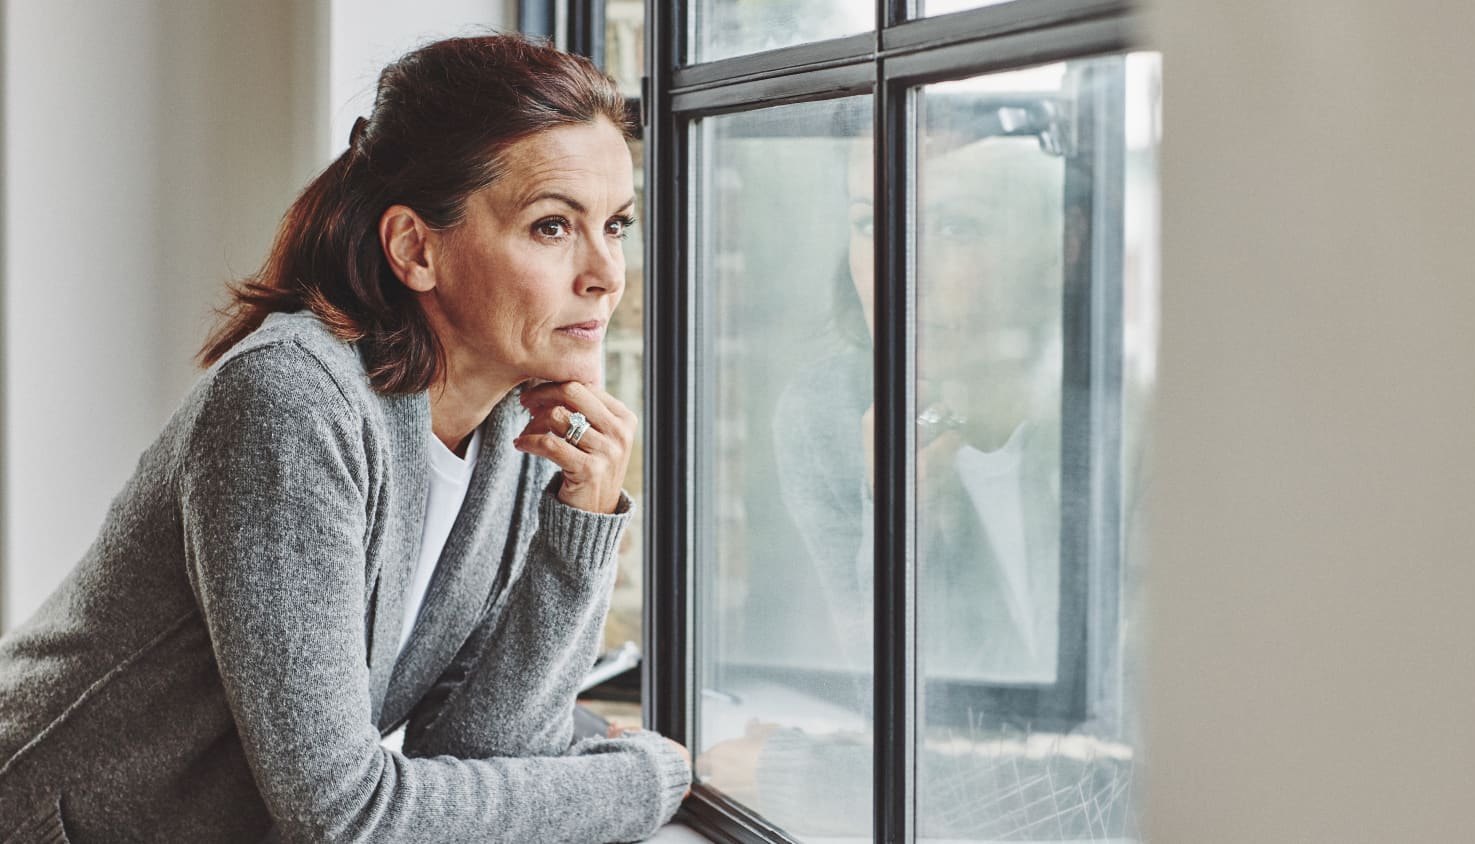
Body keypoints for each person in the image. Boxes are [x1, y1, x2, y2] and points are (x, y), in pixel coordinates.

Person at [0, 33, 690, 842]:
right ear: (414, 248)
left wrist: (581, 531)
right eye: (551, 227)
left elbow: (472, 750)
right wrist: (647, 781)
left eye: (615, 224)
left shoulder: (519, 420)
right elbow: (347, 819)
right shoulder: (291, 401)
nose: (606, 272)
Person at [699, 120, 1137, 839]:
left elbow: (1125, 795)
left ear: (1065, 242)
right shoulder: (831, 416)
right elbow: (901, 709)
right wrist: (901, 514)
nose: (902, 270)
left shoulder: (1136, 431)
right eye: (871, 224)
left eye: (958, 227)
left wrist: (811, 775)